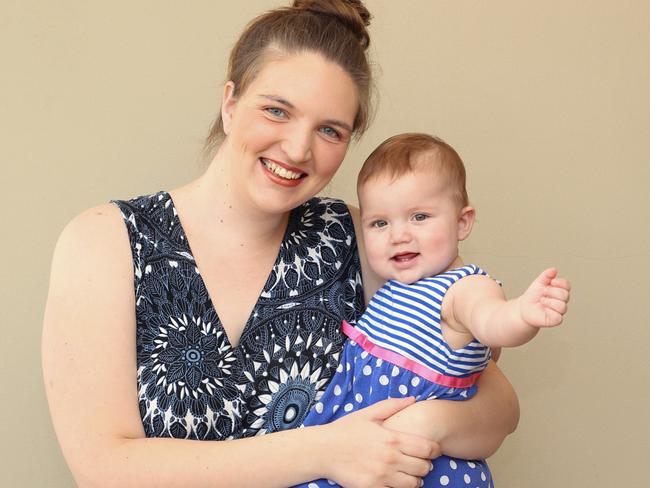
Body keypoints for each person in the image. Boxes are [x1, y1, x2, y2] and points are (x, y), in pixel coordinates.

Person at [41, 2, 519, 487]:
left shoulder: (362, 241)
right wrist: (326, 450)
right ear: (230, 104)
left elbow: (495, 404)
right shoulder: (106, 243)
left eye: (329, 130)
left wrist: (424, 425)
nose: (296, 149)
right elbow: (104, 469)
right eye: (276, 110)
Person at [295, 133, 571, 487]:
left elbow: (490, 320)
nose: (399, 235)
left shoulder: (461, 288)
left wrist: (522, 314)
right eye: (380, 223)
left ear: (462, 222)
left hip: (420, 465)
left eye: (419, 217)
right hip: (361, 445)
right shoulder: (396, 287)